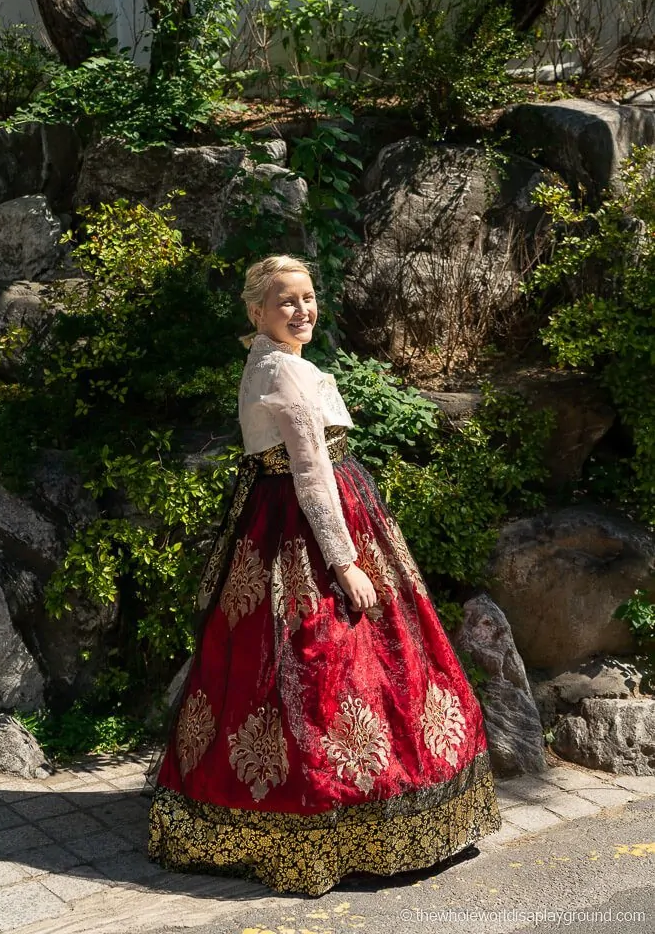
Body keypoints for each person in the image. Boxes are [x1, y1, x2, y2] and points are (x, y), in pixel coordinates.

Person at [147, 254, 502, 897]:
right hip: (306, 528)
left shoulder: (268, 362)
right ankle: (330, 822)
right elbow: (311, 474)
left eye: (308, 297)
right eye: (286, 301)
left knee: (267, 670)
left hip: (282, 519)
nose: (302, 310)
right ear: (256, 311)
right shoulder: (283, 372)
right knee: (323, 660)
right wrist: (344, 563)